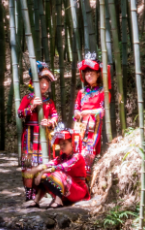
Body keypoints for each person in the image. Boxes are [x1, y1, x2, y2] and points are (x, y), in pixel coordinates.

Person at [18, 63, 59, 204]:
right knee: (29, 165)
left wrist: (49, 121)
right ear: (35, 83)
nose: (44, 85)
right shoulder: (28, 98)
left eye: (46, 83)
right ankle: (29, 194)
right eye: (41, 82)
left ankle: (39, 193)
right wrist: (32, 106)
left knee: (41, 164)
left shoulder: (49, 101)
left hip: (42, 136)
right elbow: (20, 113)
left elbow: (55, 116)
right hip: (30, 135)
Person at [32, 128, 91, 208]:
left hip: (78, 190)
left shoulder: (77, 157)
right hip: (70, 190)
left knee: (58, 173)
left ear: (72, 143)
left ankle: (58, 201)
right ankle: (36, 201)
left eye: (64, 143)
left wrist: (43, 171)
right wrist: (37, 170)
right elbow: (50, 163)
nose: (61, 146)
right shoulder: (62, 157)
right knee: (42, 176)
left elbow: (61, 167)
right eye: (60, 144)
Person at [73, 52, 108, 165]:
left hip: (94, 124)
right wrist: (77, 113)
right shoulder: (81, 92)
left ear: (98, 74)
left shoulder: (103, 92)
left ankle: (86, 177)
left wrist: (88, 112)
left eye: (91, 72)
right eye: (86, 73)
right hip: (80, 125)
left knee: (88, 152)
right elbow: (76, 108)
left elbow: (103, 111)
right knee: (77, 149)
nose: (88, 75)